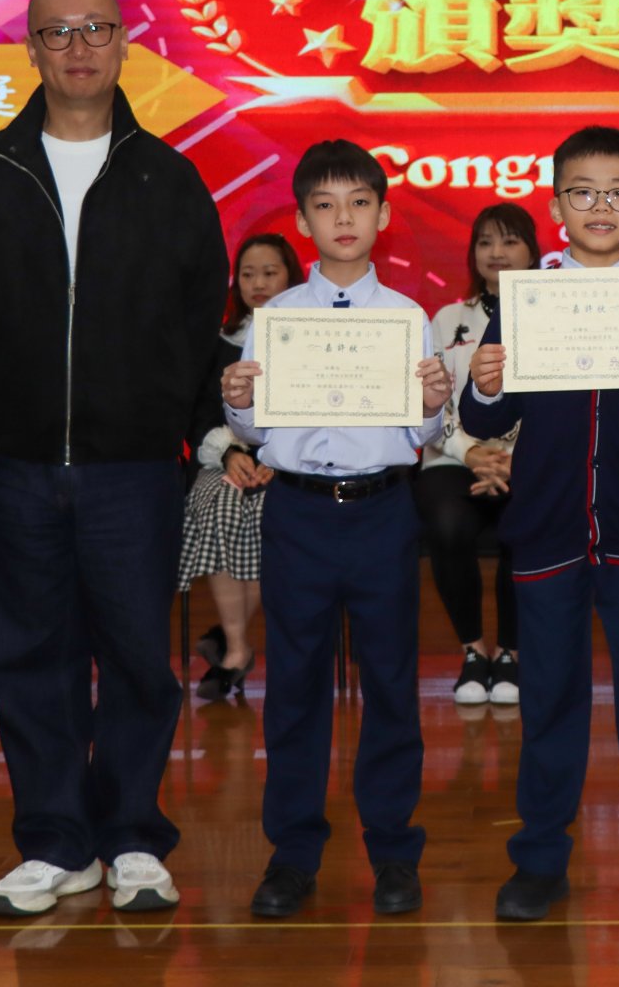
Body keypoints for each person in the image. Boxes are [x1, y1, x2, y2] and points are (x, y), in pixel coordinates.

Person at [0, 0, 226, 917]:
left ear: (126, 42)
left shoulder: (168, 179)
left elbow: (196, 316)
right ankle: (56, 842)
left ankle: (132, 835)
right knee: (31, 658)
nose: (79, 47)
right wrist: (17, 395)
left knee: (138, 657)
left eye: (97, 28)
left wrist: (155, 411)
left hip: (132, 467)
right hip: (16, 464)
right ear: (31, 50)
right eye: (58, 33)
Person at [462, 125, 619, 924]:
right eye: (582, 192)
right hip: (547, 526)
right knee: (549, 700)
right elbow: (481, 416)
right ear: (555, 205)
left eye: (618, 193)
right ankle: (539, 859)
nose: (600, 206)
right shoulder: (526, 298)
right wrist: (488, 382)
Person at [220, 139, 452, 921]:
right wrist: (238, 400)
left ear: (382, 215)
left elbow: (421, 433)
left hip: (383, 511)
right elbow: (256, 429)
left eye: (358, 203)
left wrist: (433, 402)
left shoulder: (407, 317)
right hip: (298, 514)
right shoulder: (277, 318)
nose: (343, 218)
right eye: (325, 205)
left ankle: (393, 850)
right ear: (303, 221)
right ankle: (292, 854)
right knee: (294, 688)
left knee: (390, 684)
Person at [418, 203, 537, 706]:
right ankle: (473, 650)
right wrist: (470, 453)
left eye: (509, 240)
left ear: (532, 250)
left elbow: (559, 403)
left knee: (526, 526)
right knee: (447, 525)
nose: (496, 252)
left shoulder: (552, 317)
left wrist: (516, 459)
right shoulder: (449, 319)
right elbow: (432, 399)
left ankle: (510, 652)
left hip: (527, 460)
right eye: (485, 242)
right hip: (454, 457)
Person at [180, 232, 303, 701]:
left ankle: (230, 638)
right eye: (248, 274)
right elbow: (199, 416)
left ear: (291, 276)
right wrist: (230, 456)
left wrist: (276, 460)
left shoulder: (311, 336)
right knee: (222, 504)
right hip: (227, 460)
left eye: (270, 273)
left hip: (292, 462)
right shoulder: (219, 341)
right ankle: (236, 647)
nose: (258, 283)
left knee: (274, 512)